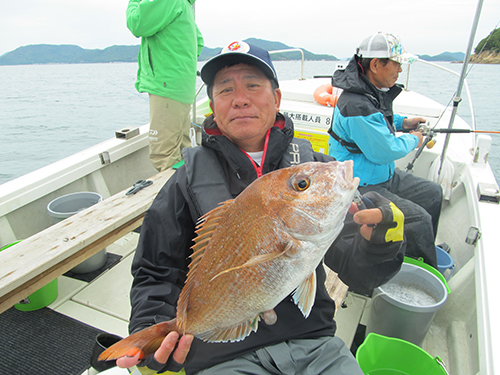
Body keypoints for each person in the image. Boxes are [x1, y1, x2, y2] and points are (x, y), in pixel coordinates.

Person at [117, 41, 406, 375]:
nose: (240, 98)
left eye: (253, 85)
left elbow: (359, 274)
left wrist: (379, 245)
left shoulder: (313, 170)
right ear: (213, 106)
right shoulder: (185, 182)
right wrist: (155, 326)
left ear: (277, 99)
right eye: (226, 89)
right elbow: (155, 271)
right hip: (223, 357)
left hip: (317, 346)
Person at [328, 32, 442, 267]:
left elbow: (380, 117)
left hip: (383, 175)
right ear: (376, 64)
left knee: (433, 193)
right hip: (365, 184)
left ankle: (415, 248)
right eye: (397, 64)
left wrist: (404, 122)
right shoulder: (356, 105)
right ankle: (419, 267)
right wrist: (416, 139)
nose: (400, 70)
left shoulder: (369, 91)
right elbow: (385, 151)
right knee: (420, 219)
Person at [127, 0, 204, 172]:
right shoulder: (184, 5)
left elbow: (137, 23)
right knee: (183, 150)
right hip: (182, 87)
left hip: (166, 86)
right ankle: (189, 194)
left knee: (164, 155)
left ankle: (176, 197)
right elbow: (198, 41)